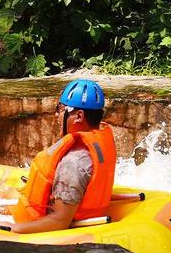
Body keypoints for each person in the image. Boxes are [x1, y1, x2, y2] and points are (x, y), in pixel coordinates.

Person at [9, 79, 116, 233]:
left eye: (60, 109)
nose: (57, 115)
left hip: (41, 222)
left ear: (79, 116)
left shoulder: (73, 163)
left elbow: (59, 221)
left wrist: (13, 229)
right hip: (41, 208)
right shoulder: (94, 146)